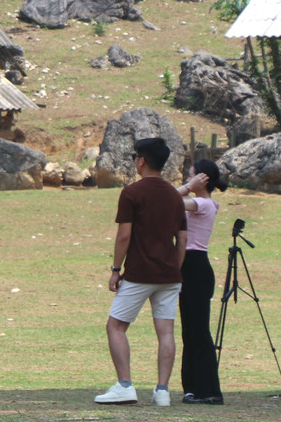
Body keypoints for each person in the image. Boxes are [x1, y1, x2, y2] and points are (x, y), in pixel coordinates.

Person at [95, 137, 188, 406]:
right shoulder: (175, 195)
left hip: (139, 273)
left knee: (116, 326)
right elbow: (182, 241)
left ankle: (125, 384)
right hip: (169, 275)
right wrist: (175, 269)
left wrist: (115, 269)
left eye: (135, 156)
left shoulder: (132, 193)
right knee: (166, 331)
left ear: (142, 160)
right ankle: (162, 391)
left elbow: (124, 236)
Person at [176, 158, 226, 405]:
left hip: (195, 267)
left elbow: (165, 201)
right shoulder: (202, 203)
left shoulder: (204, 204)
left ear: (203, 179)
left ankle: (209, 390)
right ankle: (193, 388)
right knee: (190, 330)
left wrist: (188, 187)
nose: (187, 177)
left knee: (199, 331)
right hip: (189, 267)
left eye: (192, 175)